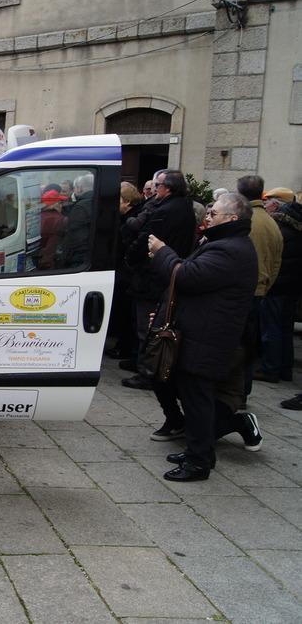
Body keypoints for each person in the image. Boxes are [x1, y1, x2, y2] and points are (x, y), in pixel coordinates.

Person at [147, 193, 259, 481]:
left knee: (198, 401)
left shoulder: (229, 250)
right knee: (190, 396)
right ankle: (200, 452)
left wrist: (163, 252)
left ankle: (198, 462)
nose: (208, 217)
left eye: (215, 213)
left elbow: (187, 276)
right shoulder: (221, 243)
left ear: (232, 219)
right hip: (200, 334)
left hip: (207, 339)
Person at [122, 169, 196, 398]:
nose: (155, 190)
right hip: (162, 271)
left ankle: (147, 371)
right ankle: (142, 362)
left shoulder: (166, 210)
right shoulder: (183, 207)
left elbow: (146, 237)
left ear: (168, 188)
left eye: (158, 186)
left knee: (148, 324)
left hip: (153, 274)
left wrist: (130, 258)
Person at [235, 176, 283, 387]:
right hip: (259, 288)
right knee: (249, 342)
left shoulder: (249, 221)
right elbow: (276, 263)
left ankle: (238, 390)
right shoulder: (272, 221)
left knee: (239, 344)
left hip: (245, 291)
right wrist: (265, 285)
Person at [258, 187, 301, 383]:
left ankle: (270, 368)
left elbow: (274, 260)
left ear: (277, 204)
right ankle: (285, 368)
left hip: (277, 286)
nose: (266, 205)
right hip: (292, 287)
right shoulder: (297, 228)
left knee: (272, 328)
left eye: (268, 201)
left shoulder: (279, 229)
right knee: (285, 327)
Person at [106, 182, 146, 359]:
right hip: (124, 271)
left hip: (128, 274)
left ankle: (126, 347)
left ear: (127, 201)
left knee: (126, 313)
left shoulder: (133, 221)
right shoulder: (126, 217)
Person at [62, 173, 94, 267]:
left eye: (75, 188)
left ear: (79, 188)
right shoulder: (98, 201)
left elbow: (74, 237)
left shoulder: (80, 207)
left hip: (79, 259)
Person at [38, 189, 67, 270]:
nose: (62, 206)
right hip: (52, 264)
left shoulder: (37, 218)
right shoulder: (60, 220)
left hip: (38, 261)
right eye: (60, 203)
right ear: (53, 204)